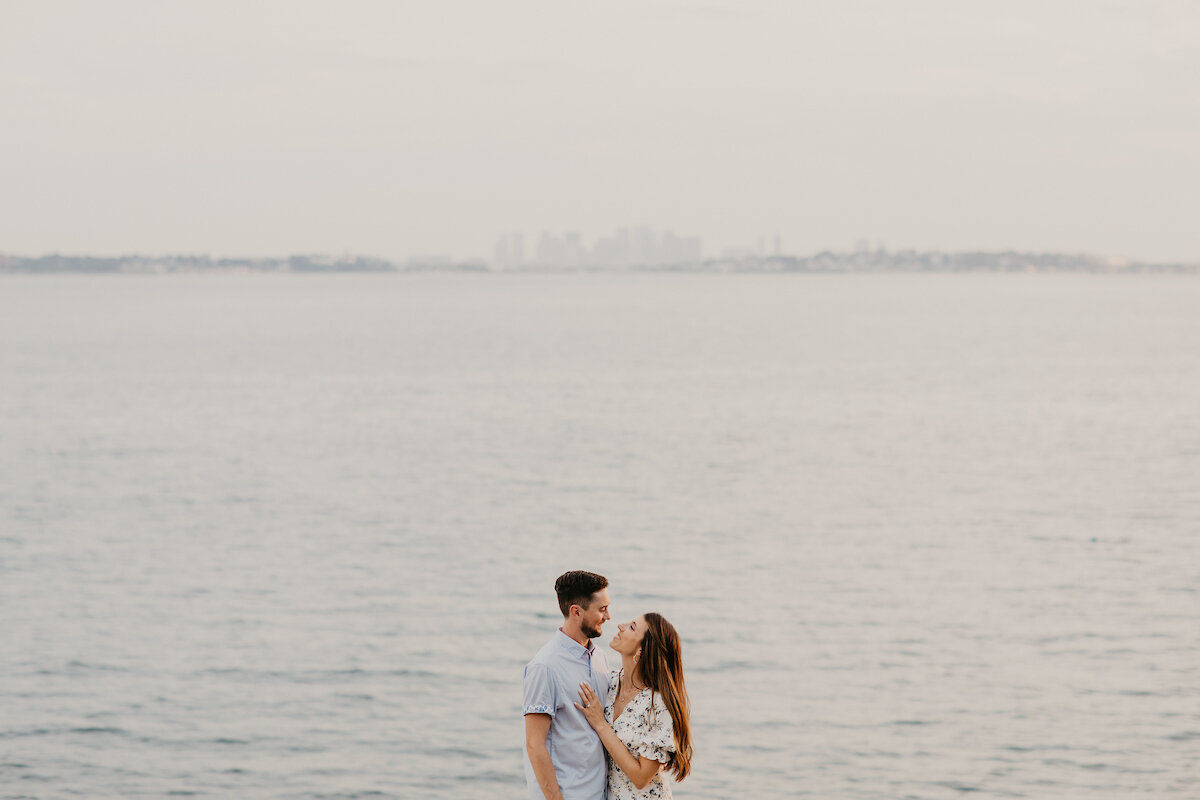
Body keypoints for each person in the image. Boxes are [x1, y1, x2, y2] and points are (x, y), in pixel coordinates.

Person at [575, 613, 692, 800]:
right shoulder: (609, 683)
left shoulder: (659, 705)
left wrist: (600, 724)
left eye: (631, 627)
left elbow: (640, 777)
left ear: (642, 651)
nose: (620, 625)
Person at [523, 571, 613, 800]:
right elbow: (534, 745)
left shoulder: (600, 657)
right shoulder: (545, 667)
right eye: (602, 609)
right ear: (576, 611)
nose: (608, 616)